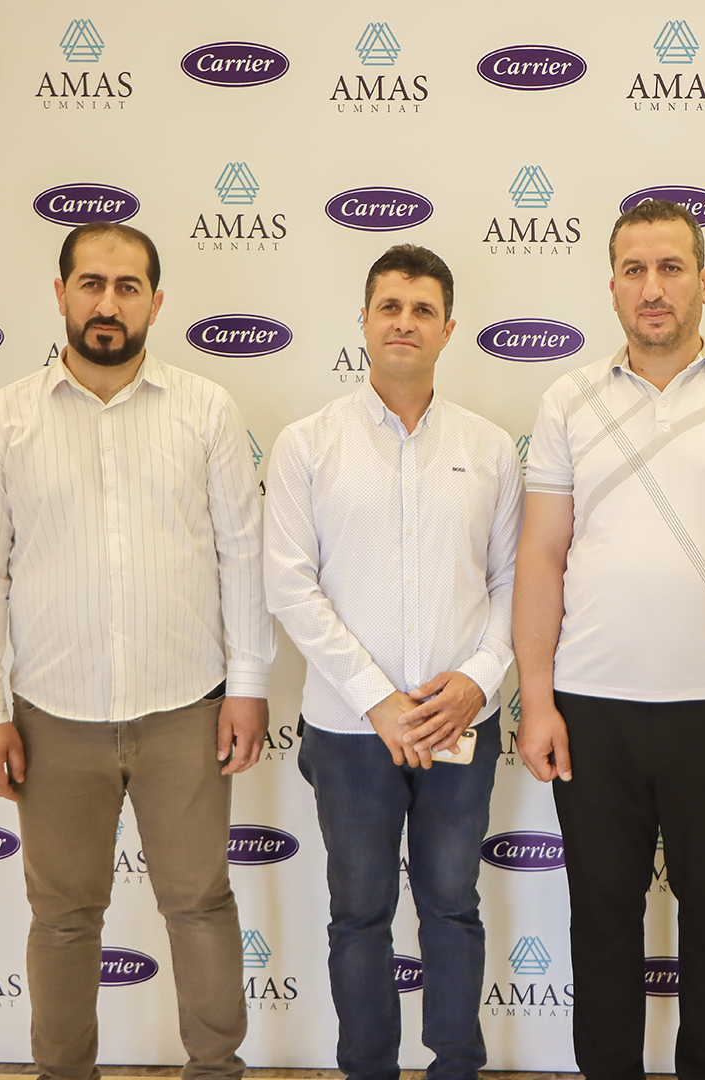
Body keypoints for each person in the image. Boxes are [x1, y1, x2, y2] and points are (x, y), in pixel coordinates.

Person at [513, 199, 705, 1080]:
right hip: (592, 708)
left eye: (671, 268)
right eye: (635, 270)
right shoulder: (567, 399)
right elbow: (541, 554)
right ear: (611, 286)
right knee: (601, 919)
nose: (654, 288)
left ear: (704, 282)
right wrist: (538, 700)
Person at [0, 223, 273, 1080]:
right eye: (91, 284)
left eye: (126, 288)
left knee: (199, 904)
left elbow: (242, 554)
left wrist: (248, 685)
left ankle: (215, 1071)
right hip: (52, 715)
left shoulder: (206, 409)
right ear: (60, 294)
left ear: (155, 301)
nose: (107, 304)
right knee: (62, 918)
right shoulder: (8, 418)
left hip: (185, 708)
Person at [264, 244, 522, 1080]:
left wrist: (478, 680)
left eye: (422, 309)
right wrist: (376, 698)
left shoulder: (490, 448)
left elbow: (515, 583)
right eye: (390, 306)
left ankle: (457, 1068)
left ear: (449, 328)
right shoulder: (308, 445)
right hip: (349, 731)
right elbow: (290, 585)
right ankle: (368, 1070)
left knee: (452, 906)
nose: (404, 322)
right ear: (365, 322)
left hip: (459, 726)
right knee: (359, 914)